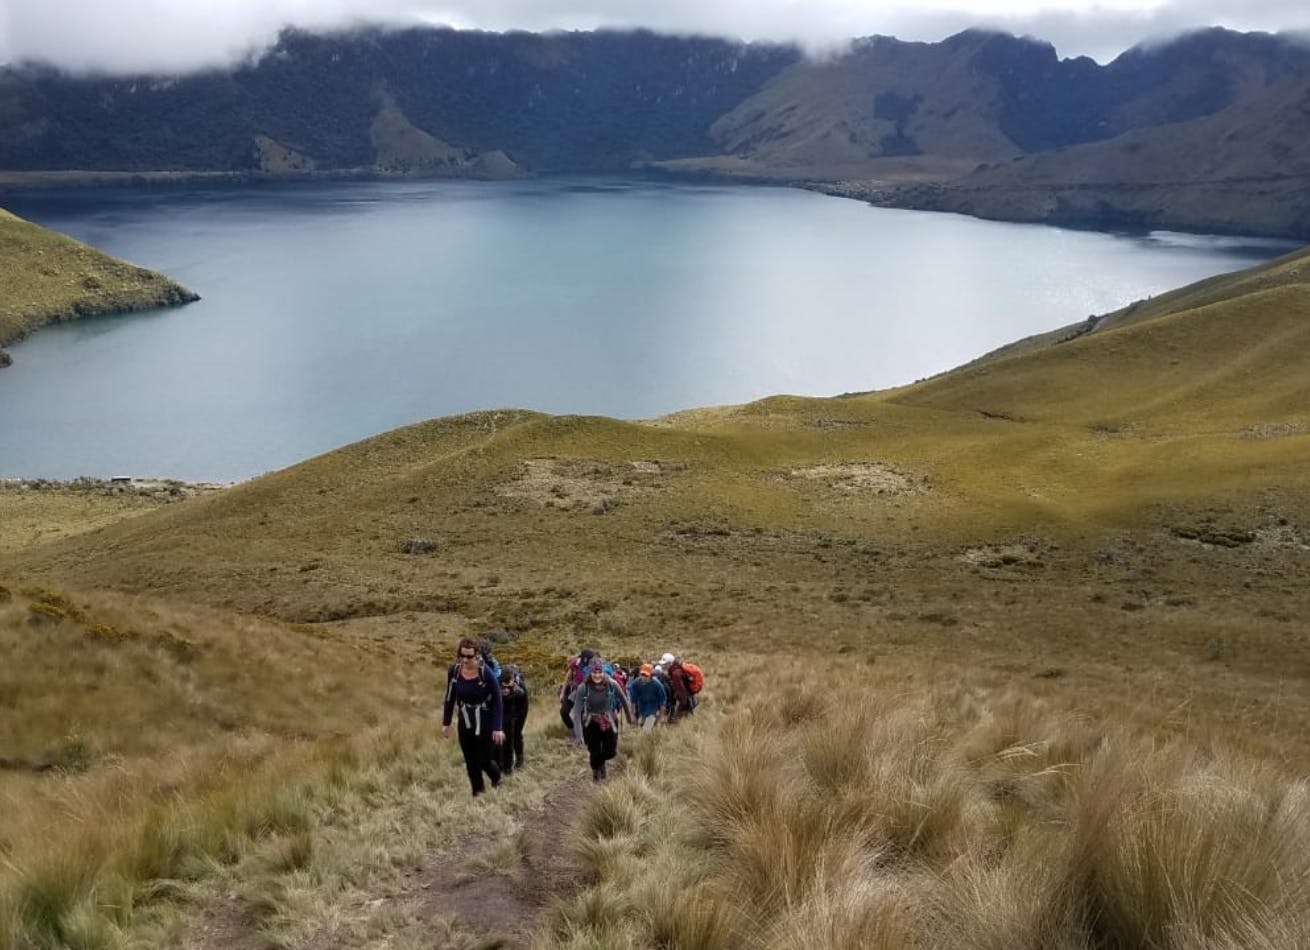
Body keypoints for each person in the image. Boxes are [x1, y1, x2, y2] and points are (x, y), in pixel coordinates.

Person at [442, 637, 505, 796]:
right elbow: (450, 697)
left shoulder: (486, 672)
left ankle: (497, 777)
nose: (465, 659)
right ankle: (478, 792)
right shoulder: (455, 671)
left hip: (485, 720)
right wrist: (446, 722)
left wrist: (497, 728)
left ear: (477, 655)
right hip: (465, 719)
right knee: (470, 761)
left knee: (484, 759)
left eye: (469, 656)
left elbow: (498, 700)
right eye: (462, 655)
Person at [572, 657, 634, 781]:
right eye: (594, 672)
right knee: (594, 751)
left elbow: (624, 700)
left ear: (603, 672)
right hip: (591, 722)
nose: (597, 675)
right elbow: (576, 712)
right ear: (590, 672)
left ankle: (600, 763)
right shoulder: (583, 688)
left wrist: (629, 718)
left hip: (609, 719)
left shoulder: (612, 684)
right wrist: (579, 735)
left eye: (600, 672)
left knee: (611, 752)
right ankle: (596, 770)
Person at [498, 666, 529, 775]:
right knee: (505, 737)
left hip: (520, 709)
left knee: (516, 734)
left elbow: (524, 702)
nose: (506, 687)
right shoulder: (498, 684)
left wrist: (514, 691)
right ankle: (505, 764)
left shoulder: (519, 685)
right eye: (504, 684)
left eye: (509, 683)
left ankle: (519, 758)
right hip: (505, 711)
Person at [628, 662, 667, 731]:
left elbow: (662, 701)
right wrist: (633, 715)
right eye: (642, 674)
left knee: (647, 729)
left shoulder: (657, 685)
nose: (643, 677)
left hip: (654, 709)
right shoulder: (635, 684)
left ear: (651, 675)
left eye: (646, 675)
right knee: (643, 726)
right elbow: (633, 700)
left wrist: (662, 716)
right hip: (642, 709)